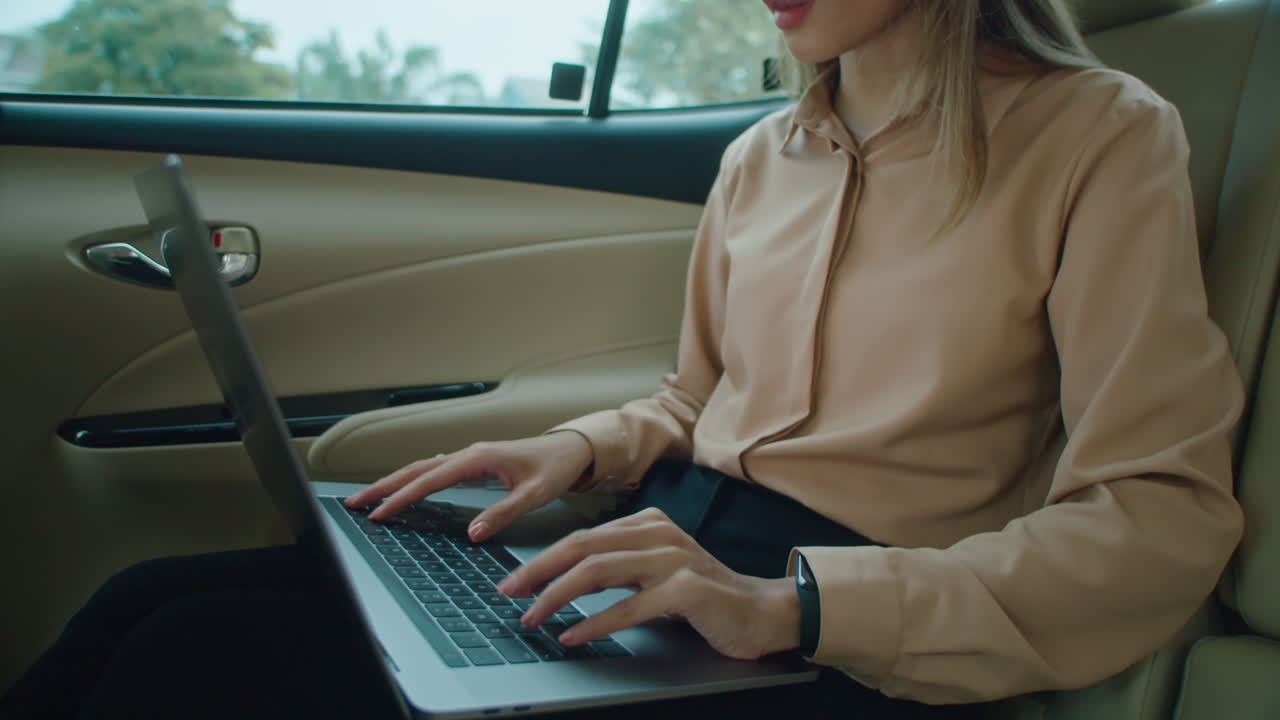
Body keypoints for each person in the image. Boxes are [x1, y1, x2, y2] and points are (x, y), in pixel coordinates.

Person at [1, 0, 1244, 717]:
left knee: (186, 662)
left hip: (840, 631)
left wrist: (791, 606)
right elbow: (700, 398)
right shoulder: (764, 156)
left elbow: (1157, 516)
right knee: (143, 600)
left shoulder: (1100, 138)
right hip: (663, 549)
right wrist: (574, 448)